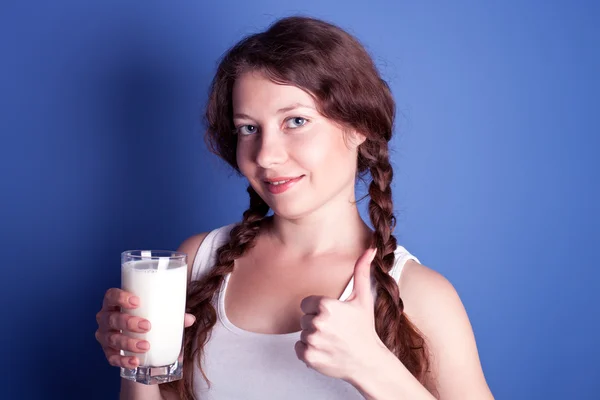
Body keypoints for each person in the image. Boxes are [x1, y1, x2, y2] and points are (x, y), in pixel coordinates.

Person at [95, 16, 494, 400]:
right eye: (248, 128)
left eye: (296, 121)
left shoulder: (422, 295)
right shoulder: (196, 262)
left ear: (359, 127)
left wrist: (372, 367)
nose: (266, 156)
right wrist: (136, 363)